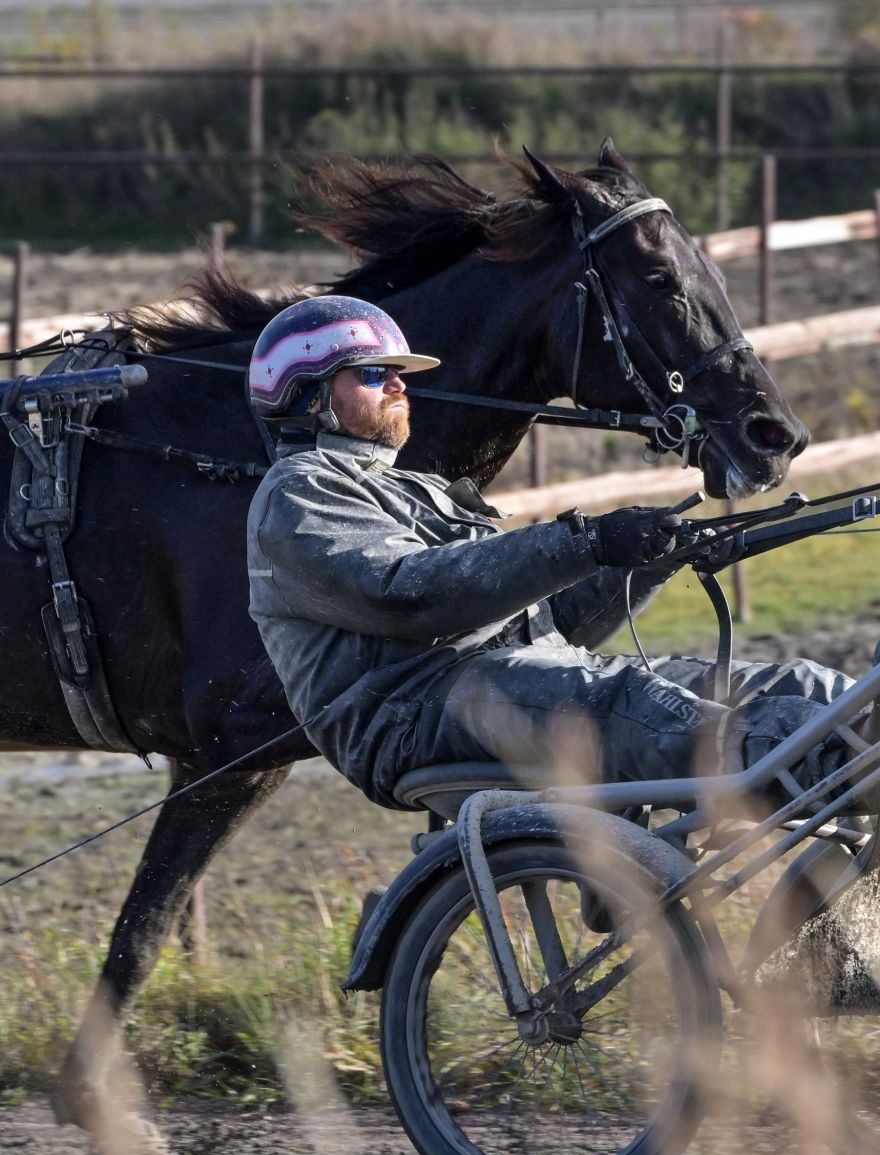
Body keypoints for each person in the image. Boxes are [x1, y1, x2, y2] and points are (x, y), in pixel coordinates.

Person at [244, 295, 849, 809]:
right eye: (374, 374)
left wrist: (640, 562)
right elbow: (410, 596)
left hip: (510, 675)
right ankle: (837, 763)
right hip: (414, 708)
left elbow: (555, 624)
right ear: (307, 395)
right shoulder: (302, 491)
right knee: (639, 705)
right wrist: (587, 541)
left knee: (789, 685)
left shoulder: (415, 486)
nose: (400, 384)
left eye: (398, 372)